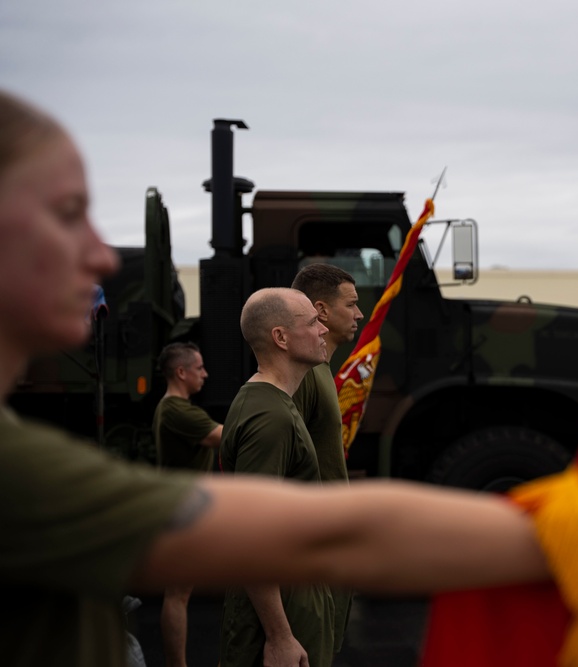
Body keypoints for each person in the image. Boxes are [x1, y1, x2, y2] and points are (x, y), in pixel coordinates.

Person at [0, 88, 546, 667]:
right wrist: (567, 538)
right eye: (65, 213)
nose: (106, 257)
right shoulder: (22, 473)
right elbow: (310, 530)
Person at [218, 287, 340, 666]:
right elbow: (250, 534)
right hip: (282, 613)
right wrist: (280, 636)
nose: (323, 329)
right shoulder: (270, 418)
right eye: (312, 323)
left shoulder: (268, 403)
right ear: (281, 338)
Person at [291, 263, 365, 655]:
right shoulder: (305, 376)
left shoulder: (319, 370)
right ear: (320, 311)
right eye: (351, 304)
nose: (360, 314)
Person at [152, 341, 223, 667]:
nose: (205, 374)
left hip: (187, 508)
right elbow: (220, 436)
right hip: (183, 510)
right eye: (199, 368)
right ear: (181, 372)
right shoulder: (176, 410)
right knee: (178, 594)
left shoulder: (174, 408)